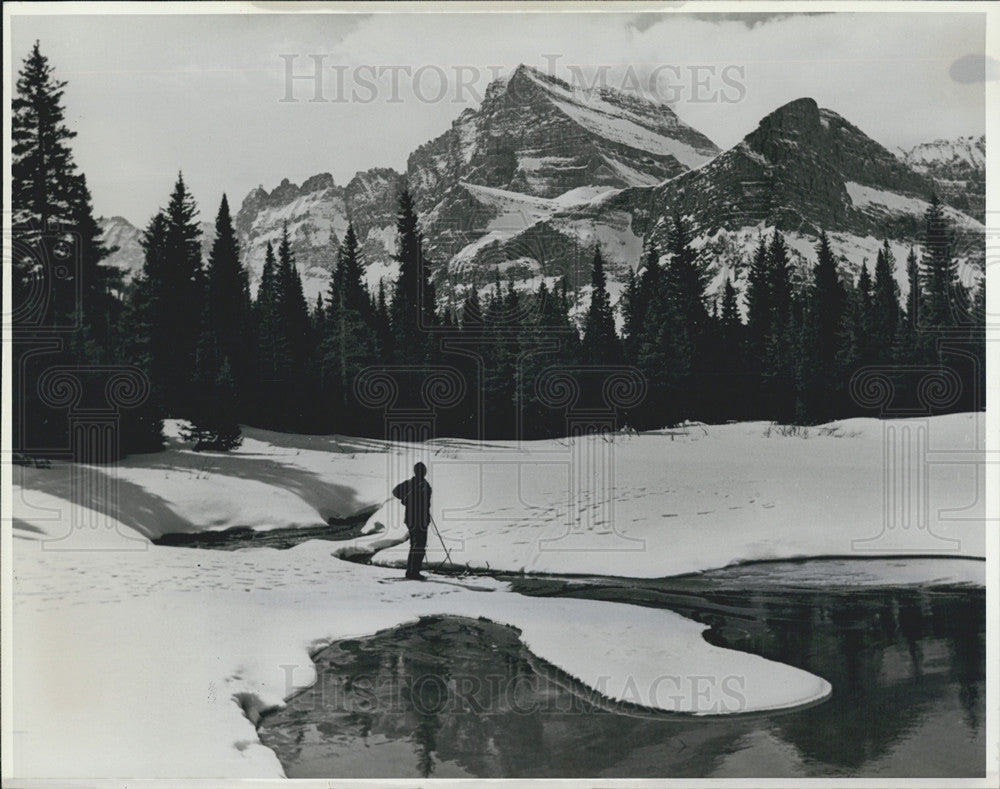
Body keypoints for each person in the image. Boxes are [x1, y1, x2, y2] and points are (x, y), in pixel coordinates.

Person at [393, 462, 432, 580]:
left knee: (418, 545)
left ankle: (413, 571)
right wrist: (406, 499)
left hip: (421, 519)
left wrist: (407, 500)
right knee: (417, 545)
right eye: (421, 471)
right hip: (414, 519)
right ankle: (412, 572)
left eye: (423, 471)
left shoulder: (425, 485)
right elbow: (396, 492)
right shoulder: (412, 484)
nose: (423, 473)